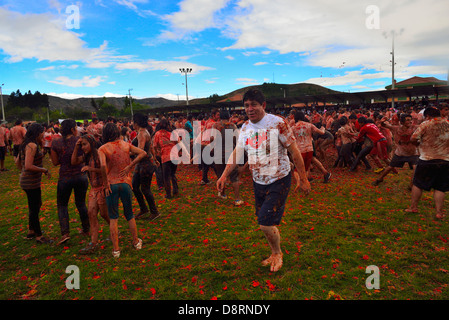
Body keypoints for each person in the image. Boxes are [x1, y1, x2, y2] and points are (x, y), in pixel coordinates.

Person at [217, 89, 311, 273]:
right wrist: (224, 175)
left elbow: (294, 151)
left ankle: (277, 253)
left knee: (265, 222)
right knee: (266, 222)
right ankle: (274, 251)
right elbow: (237, 152)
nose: (250, 109)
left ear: (263, 105)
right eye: (246, 106)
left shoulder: (277, 123)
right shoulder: (245, 127)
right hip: (258, 180)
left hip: (279, 178)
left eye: (254, 105)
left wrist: (304, 179)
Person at [98, 122, 147, 258]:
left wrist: (105, 182)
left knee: (113, 218)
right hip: (125, 183)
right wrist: (130, 166)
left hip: (111, 184)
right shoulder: (126, 145)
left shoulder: (103, 148)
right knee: (129, 214)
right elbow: (143, 153)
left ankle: (116, 250)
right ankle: (136, 242)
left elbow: (102, 165)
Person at [50, 119, 90, 245]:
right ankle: (86, 229)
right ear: (73, 129)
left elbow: (55, 162)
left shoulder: (56, 142)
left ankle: (65, 233)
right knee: (81, 203)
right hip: (81, 175)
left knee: (62, 205)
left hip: (65, 177)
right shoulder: (80, 141)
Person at [406, 107, 449, 219]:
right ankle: (439, 212)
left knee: (418, 184)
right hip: (445, 160)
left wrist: (418, 144)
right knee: (440, 188)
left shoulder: (426, 124)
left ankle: (413, 207)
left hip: (427, 159)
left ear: (428, 116)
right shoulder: (448, 123)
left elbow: (413, 138)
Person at [71, 134, 110, 254]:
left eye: (84, 144)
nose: (83, 147)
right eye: (81, 145)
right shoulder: (86, 156)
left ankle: (114, 229)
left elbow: (106, 170)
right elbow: (73, 162)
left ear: (91, 143)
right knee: (91, 214)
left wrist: (90, 169)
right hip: (93, 189)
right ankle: (93, 243)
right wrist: (76, 147)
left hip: (103, 188)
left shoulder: (99, 154)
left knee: (104, 214)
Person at [15, 123, 52, 244]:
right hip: (30, 182)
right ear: (37, 132)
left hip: (28, 180)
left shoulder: (27, 144)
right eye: (42, 132)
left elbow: (17, 162)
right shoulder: (32, 145)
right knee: (35, 207)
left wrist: (23, 171)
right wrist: (44, 170)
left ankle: (31, 231)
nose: (43, 134)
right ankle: (39, 236)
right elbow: (29, 165)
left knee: (34, 205)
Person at [373, 114, 418, 189]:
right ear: (402, 122)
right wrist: (383, 121)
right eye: (407, 120)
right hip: (400, 153)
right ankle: (379, 179)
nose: (410, 122)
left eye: (411, 120)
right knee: (390, 167)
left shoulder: (414, 128)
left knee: (415, 168)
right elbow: (385, 125)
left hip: (413, 152)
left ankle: (411, 185)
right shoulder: (396, 129)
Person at [131, 113, 160, 220]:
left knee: (145, 189)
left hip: (145, 164)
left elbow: (140, 151)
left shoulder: (142, 134)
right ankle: (144, 209)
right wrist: (156, 159)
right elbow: (151, 147)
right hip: (142, 164)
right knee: (134, 186)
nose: (132, 123)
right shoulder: (143, 132)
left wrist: (127, 154)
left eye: (133, 121)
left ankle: (154, 211)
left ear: (137, 123)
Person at [212, 110, 244, 205]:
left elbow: (211, 139)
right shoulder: (233, 126)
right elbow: (237, 140)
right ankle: (237, 199)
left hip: (218, 154)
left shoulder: (215, 126)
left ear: (219, 117)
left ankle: (222, 194)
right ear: (229, 116)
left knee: (221, 175)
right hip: (230, 155)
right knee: (234, 177)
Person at [153, 118, 179, 199]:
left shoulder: (158, 134)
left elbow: (154, 146)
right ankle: (175, 190)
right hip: (174, 155)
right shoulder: (172, 133)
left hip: (165, 156)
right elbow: (178, 143)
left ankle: (168, 194)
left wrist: (157, 152)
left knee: (166, 176)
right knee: (172, 174)